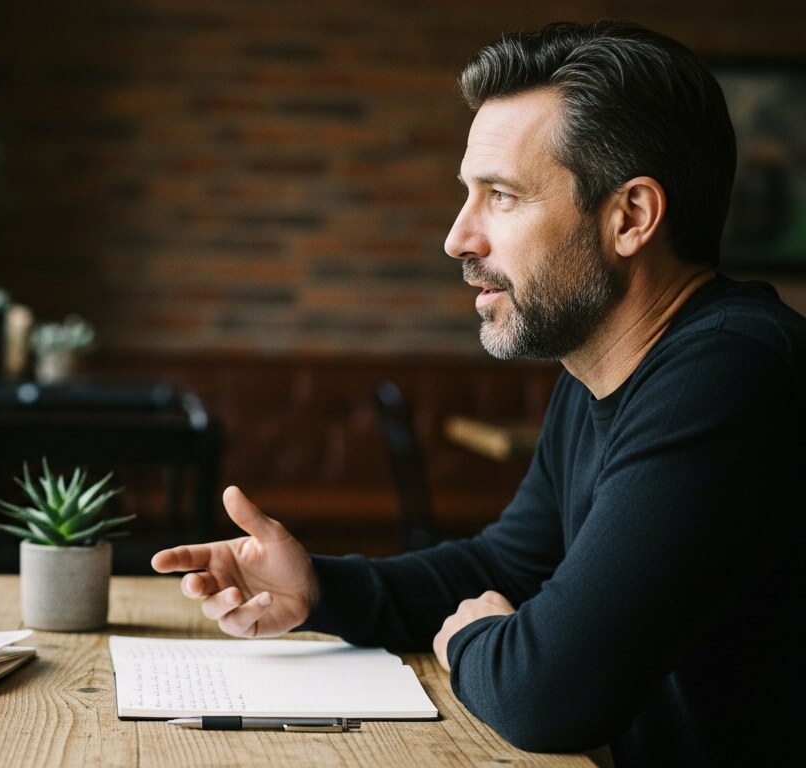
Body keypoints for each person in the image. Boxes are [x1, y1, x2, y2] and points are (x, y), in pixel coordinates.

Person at [153, 21, 804, 768]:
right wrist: (321, 590)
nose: (458, 238)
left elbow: (548, 695)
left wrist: (471, 641)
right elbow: (506, 570)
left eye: (501, 196)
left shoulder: (733, 374)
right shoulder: (605, 365)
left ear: (630, 217)